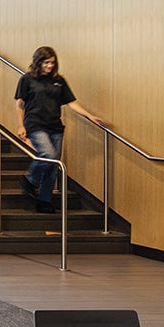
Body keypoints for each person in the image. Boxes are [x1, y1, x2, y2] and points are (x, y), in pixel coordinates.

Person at [15, 46, 105, 214]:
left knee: (52, 166)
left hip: (55, 127)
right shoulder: (27, 79)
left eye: (52, 62)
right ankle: (29, 179)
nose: (49, 66)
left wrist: (90, 116)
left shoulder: (59, 80)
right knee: (48, 155)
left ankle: (44, 201)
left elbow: (71, 102)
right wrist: (21, 125)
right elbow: (19, 104)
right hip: (35, 125)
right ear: (38, 61)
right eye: (46, 62)